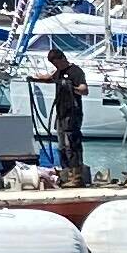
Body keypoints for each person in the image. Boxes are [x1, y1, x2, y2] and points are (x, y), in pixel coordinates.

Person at [45, 50, 89, 182]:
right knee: (62, 146)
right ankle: (66, 173)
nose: (56, 66)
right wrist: (35, 78)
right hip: (61, 112)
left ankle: (76, 174)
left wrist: (71, 87)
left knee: (71, 144)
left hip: (72, 113)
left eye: (57, 63)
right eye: (54, 64)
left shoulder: (76, 71)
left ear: (63, 59)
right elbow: (50, 78)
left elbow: (84, 89)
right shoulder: (58, 72)